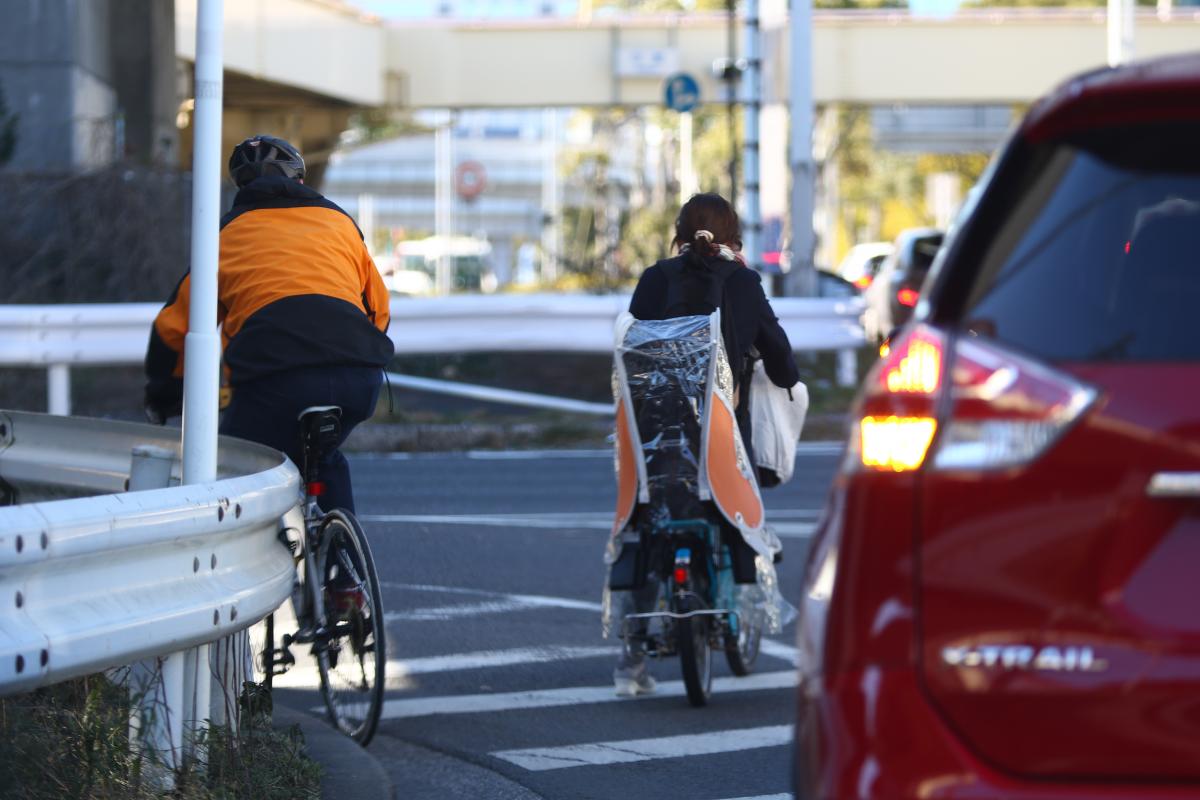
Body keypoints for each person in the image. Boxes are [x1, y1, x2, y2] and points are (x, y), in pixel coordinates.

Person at [143, 134, 394, 517]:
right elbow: (378, 311)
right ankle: (343, 568)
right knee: (325, 457)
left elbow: (175, 329)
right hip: (356, 373)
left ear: (241, 186)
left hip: (276, 375)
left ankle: (257, 564)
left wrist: (165, 393)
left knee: (238, 465)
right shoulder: (340, 222)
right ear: (299, 180)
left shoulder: (224, 236)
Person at [613, 192, 800, 697]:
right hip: (720, 435)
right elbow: (780, 356)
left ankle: (629, 665)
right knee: (734, 508)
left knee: (647, 525)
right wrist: (784, 373)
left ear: (678, 232)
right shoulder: (740, 281)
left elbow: (631, 344)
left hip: (655, 435)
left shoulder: (655, 279)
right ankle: (737, 608)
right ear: (733, 236)